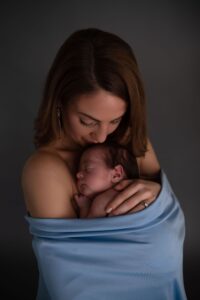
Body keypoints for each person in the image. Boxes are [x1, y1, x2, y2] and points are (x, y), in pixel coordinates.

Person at [22, 28, 186, 299]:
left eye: (115, 120)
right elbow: (75, 276)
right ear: (59, 102)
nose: (101, 136)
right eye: (88, 121)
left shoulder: (132, 138)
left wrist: (158, 196)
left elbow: (169, 223)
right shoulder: (45, 170)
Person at [74, 142, 139, 218]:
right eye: (79, 169)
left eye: (88, 169)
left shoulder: (103, 201)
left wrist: (84, 207)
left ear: (116, 175)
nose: (78, 174)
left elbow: (87, 227)